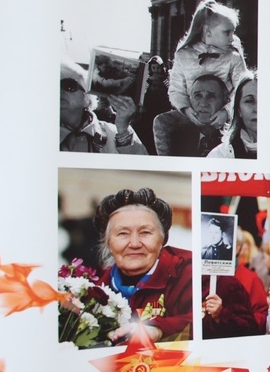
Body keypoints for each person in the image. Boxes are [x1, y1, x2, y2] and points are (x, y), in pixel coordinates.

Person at [93, 188, 191, 342]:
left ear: (162, 240)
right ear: (109, 243)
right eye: (123, 233)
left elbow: (209, 321)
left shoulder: (189, 273)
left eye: (145, 232)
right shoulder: (94, 289)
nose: (134, 243)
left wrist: (158, 329)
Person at [167, 0, 247, 127]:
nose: (232, 38)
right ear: (207, 31)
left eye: (233, 32)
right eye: (227, 33)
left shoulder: (233, 57)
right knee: (162, 122)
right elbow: (176, 90)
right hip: (193, 116)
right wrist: (186, 109)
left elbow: (242, 90)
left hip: (223, 120)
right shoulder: (183, 55)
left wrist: (226, 112)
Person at [60, 65, 146, 155]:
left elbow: (141, 161)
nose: (58, 91)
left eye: (68, 85)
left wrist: (123, 130)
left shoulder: (114, 131)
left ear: (87, 98)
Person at [153, 74, 227, 157]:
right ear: (189, 99)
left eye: (211, 96)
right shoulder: (174, 129)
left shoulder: (231, 133)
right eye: (198, 96)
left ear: (224, 100)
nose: (203, 103)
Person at [208, 72, 258, 160]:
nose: (257, 109)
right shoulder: (218, 156)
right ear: (239, 110)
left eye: (264, 100)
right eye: (249, 101)